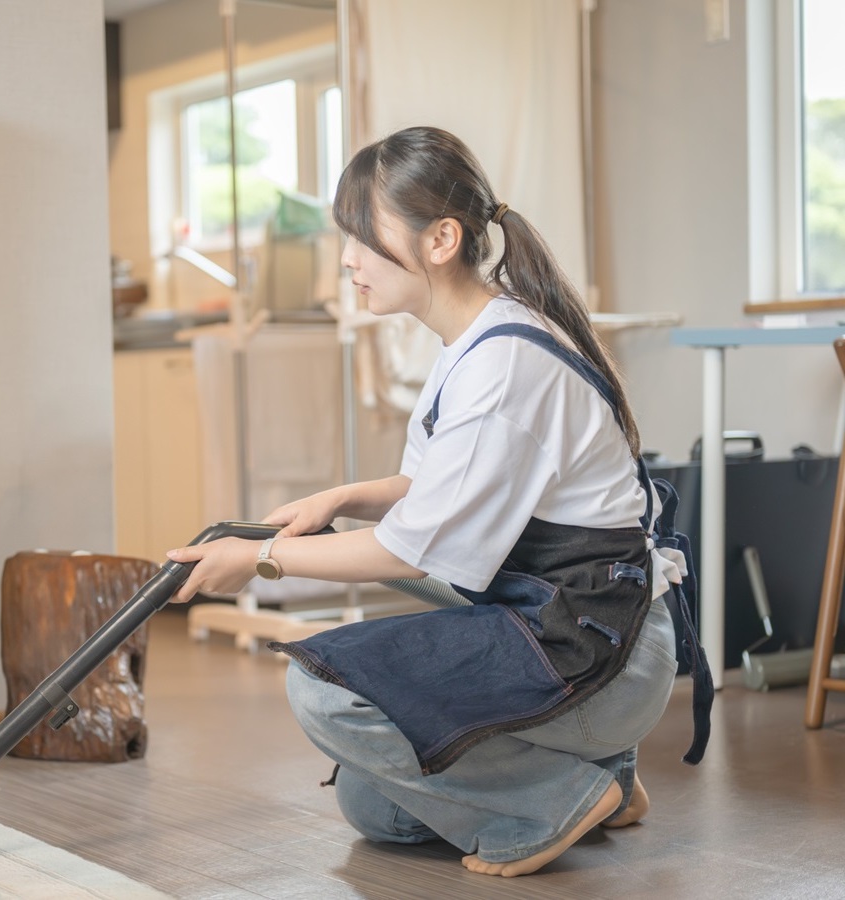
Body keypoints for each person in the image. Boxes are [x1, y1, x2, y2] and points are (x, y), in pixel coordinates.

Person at [166, 126, 710, 877]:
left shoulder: (503, 366)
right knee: (373, 802)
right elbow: (431, 494)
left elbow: (408, 546)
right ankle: (604, 779)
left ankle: (553, 796)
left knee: (326, 694)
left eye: (361, 238)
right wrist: (342, 497)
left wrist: (261, 559)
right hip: (566, 610)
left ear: (441, 239)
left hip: (597, 649)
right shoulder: (476, 338)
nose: (348, 261)